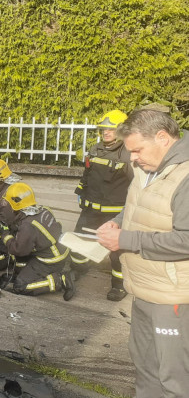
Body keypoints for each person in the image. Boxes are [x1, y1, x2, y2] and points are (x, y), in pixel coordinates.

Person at [96, 107, 189, 398]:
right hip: (145, 288)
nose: (132, 158)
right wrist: (117, 223)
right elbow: (137, 208)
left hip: (174, 297)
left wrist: (126, 241)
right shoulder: (147, 168)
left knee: (175, 377)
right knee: (145, 364)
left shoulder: (186, 176)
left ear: (162, 138)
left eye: (136, 150)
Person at [73, 109, 133, 301]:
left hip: (114, 214)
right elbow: (87, 175)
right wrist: (81, 192)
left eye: (110, 129)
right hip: (90, 209)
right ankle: (77, 270)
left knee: (117, 251)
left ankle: (118, 285)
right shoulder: (95, 149)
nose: (106, 133)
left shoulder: (128, 155)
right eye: (103, 129)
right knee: (80, 241)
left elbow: (135, 186)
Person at [0, 182, 76, 300]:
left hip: (50, 260)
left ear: (15, 203)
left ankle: (60, 280)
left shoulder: (27, 226)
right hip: (58, 252)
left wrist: (5, 234)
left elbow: (17, 250)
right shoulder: (43, 210)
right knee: (21, 263)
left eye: (8, 203)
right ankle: (23, 273)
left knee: (20, 286)